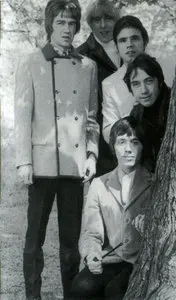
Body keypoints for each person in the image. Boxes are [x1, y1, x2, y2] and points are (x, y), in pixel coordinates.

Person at [14, 0, 100, 298]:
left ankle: (70, 295)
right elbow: (23, 117)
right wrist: (24, 161)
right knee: (34, 239)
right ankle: (32, 295)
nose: (67, 28)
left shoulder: (88, 67)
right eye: (61, 22)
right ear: (50, 24)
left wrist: (91, 154)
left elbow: (91, 119)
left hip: (74, 166)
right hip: (41, 164)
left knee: (70, 242)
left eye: (72, 23)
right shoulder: (30, 62)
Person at [72, 116, 153, 299]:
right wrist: (92, 255)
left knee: (115, 292)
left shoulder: (153, 183)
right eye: (121, 142)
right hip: (114, 258)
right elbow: (91, 232)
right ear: (113, 147)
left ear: (142, 147)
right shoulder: (100, 184)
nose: (128, 149)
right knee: (80, 287)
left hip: (141, 262)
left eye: (135, 142)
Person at [77, 0, 121, 175]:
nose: (103, 25)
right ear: (90, 23)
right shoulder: (81, 55)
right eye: (96, 20)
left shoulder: (128, 46)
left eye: (108, 18)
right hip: (101, 144)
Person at [101, 15, 149, 143]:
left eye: (135, 38)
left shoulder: (160, 71)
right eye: (123, 40)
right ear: (116, 47)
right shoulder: (110, 83)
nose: (129, 45)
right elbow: (107, 130)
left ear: (144, 42)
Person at [124, 53, 171, 172]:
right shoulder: (136, 113)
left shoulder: (175, 105)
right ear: (130, 89)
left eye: (149, 81)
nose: (143, 90)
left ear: (159, 81)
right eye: (136, 84)